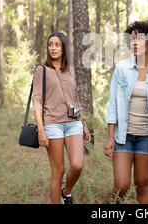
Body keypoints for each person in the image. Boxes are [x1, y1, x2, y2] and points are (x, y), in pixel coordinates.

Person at [104, 21, 148, 204]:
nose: (134, 43)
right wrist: (110, 137)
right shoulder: (122, 69)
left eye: (139, 39)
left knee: (143, 184)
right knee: (121, 185)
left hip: (147, 137)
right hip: (123, 136)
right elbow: (113, 104)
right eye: (132, 39)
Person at [32, 32, 91, 204]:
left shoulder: (70, 70)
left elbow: (76, 99)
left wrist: (84, 123)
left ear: (64, 47)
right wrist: (41, 129)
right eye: (50, 44)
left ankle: (66, 192)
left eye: (57, 44)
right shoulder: (41, 70)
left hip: (73, 123)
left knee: (77, 165)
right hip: (52, 125)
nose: (53, 48)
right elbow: (37, 101)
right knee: (58, 170)